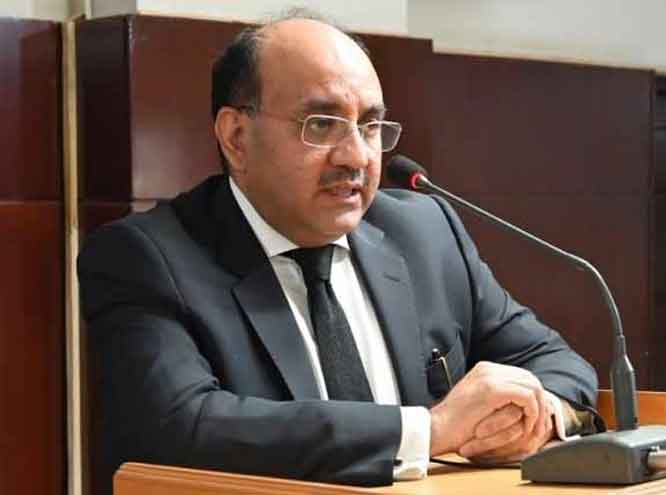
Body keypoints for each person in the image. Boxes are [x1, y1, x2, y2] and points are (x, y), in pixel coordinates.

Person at [78, 10, 599, 492]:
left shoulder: (424, 232)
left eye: (369, 126)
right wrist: (431, 429)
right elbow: (180, 427)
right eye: (322, 125)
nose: (356, 157)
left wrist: (535, 415)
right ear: (236, 136)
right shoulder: (146, 257)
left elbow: (555, 363)